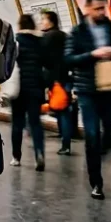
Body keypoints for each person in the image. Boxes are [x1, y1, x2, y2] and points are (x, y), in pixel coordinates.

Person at [65, 0, 111, 200]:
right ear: (88, 8)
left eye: (104, 8)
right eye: (98, 8)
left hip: (109, 87)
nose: (102, 12)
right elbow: (69, 58)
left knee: (108, 130)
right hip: (87, 90)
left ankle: (99, 152)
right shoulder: (78, 32)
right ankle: (96, 182)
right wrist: (93, 54)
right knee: (91, 134)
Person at [10, 13, 47, 171]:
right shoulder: (41, 42)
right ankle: (39, 153)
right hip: (35, 88)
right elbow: (47, 64)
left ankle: (16, 157)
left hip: (18, 89)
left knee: (17, 123)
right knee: (35, 123)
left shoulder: (15, 42)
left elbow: (8, 63)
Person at [40, 10, 73, 156]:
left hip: (55, 79)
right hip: (65, 77)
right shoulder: (65, 36)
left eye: (43, 20)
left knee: (62, 111)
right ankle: (63, 137)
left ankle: (66, 145)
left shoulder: (48, 37)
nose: (41, 22)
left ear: (51, 21)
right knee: (62, 110)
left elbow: (43, 58)